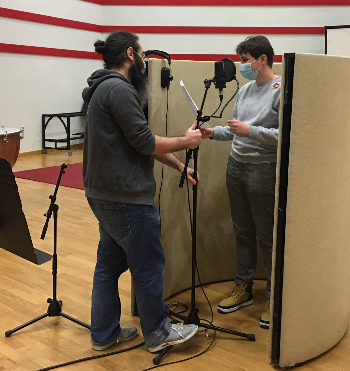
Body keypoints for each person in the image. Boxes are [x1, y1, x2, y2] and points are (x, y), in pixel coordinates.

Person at [82, 31, 201, 352]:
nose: (146, 62)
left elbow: (138, 141)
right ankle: (159, 334)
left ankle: (103, 334)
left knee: (107, 267)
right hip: (126, 199)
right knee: (148, 264)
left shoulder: (99, 88)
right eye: (143, 54)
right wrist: (187, 142)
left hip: (102, 196)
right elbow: (147, 143)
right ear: (131, 55)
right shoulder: (119, 90)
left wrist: (180, 166)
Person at [200, 35, 280, 329]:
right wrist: (213, 133)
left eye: (245, 60)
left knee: (267, 236)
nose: (241, 66)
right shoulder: (245, 90)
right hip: (236, 167)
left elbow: (285, 137)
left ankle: (274, 296)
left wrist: (251, 131)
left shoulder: (280, 90)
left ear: (262, 60)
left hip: (263, 170)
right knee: (242, 231)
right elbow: (235, 131)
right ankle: (243, 287)